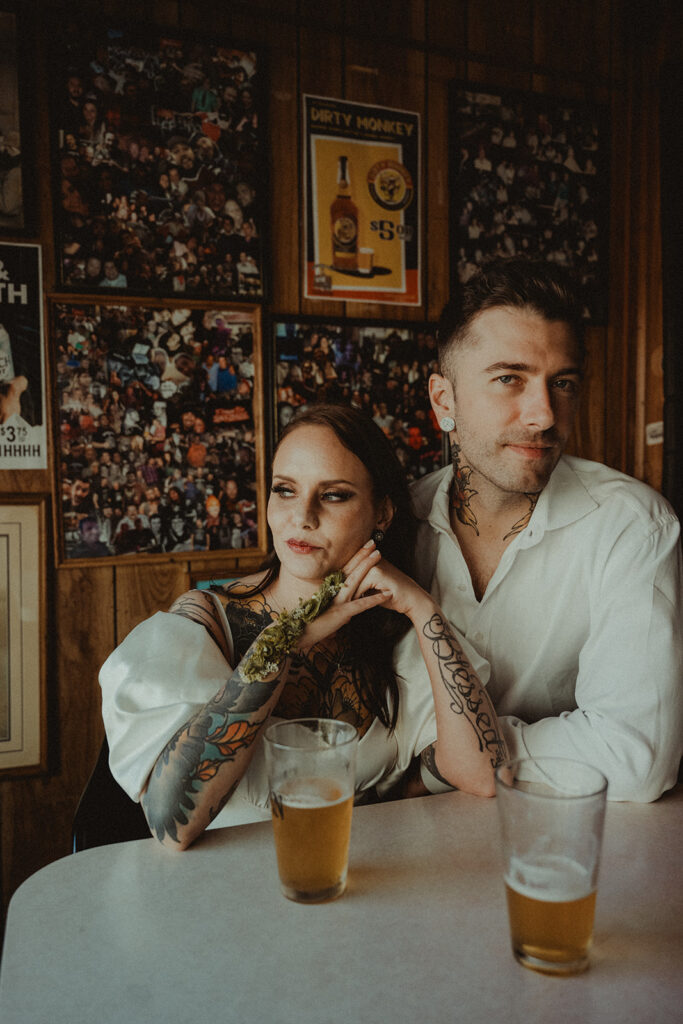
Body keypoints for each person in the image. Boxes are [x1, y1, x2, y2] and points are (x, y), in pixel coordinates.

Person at [99, 404, 507, 849]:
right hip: (213, 901)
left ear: (382, 514)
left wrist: (422, 608)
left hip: (350, 891)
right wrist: (285, 646)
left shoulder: (400, 643)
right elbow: (169, 821)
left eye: (333, 495)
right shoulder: (203, 625)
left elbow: (483, 775)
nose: (303, 515)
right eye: (285, 490)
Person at [416, 256, 683, 802]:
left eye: (561, 383)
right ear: (444, 400)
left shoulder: (632, 527)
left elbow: (635, 757)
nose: (543, 415)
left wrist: (450, 757)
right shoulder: (395, 520)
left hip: (568, 845)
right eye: (509, 379)